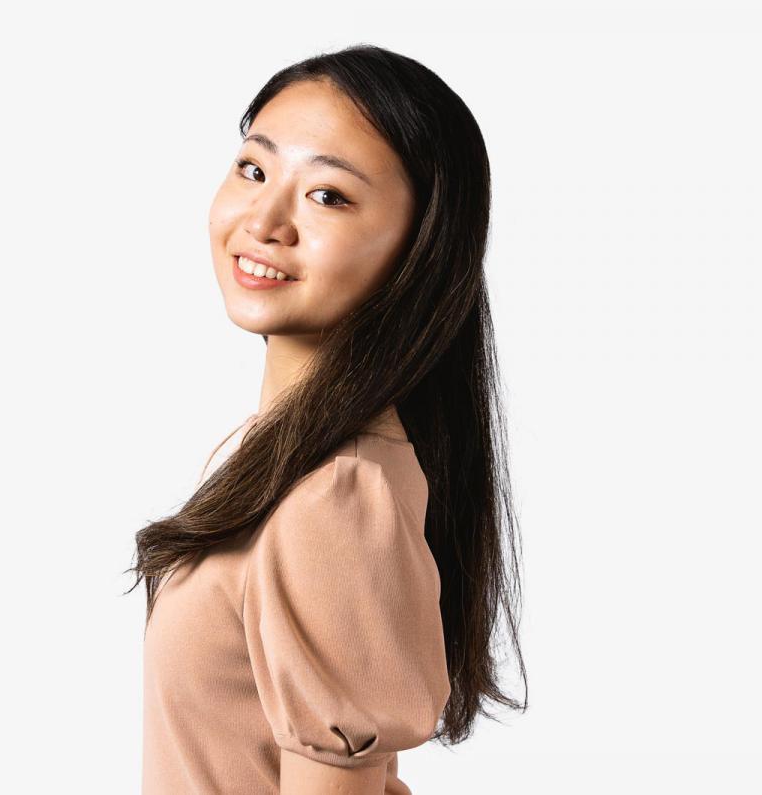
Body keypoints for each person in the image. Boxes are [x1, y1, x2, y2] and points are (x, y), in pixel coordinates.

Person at [129, 43, 526, 795]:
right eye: (254, 169)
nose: (265, 220)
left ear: (420, 249)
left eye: (329, 197)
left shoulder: (333, 498)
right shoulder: (281, 457)